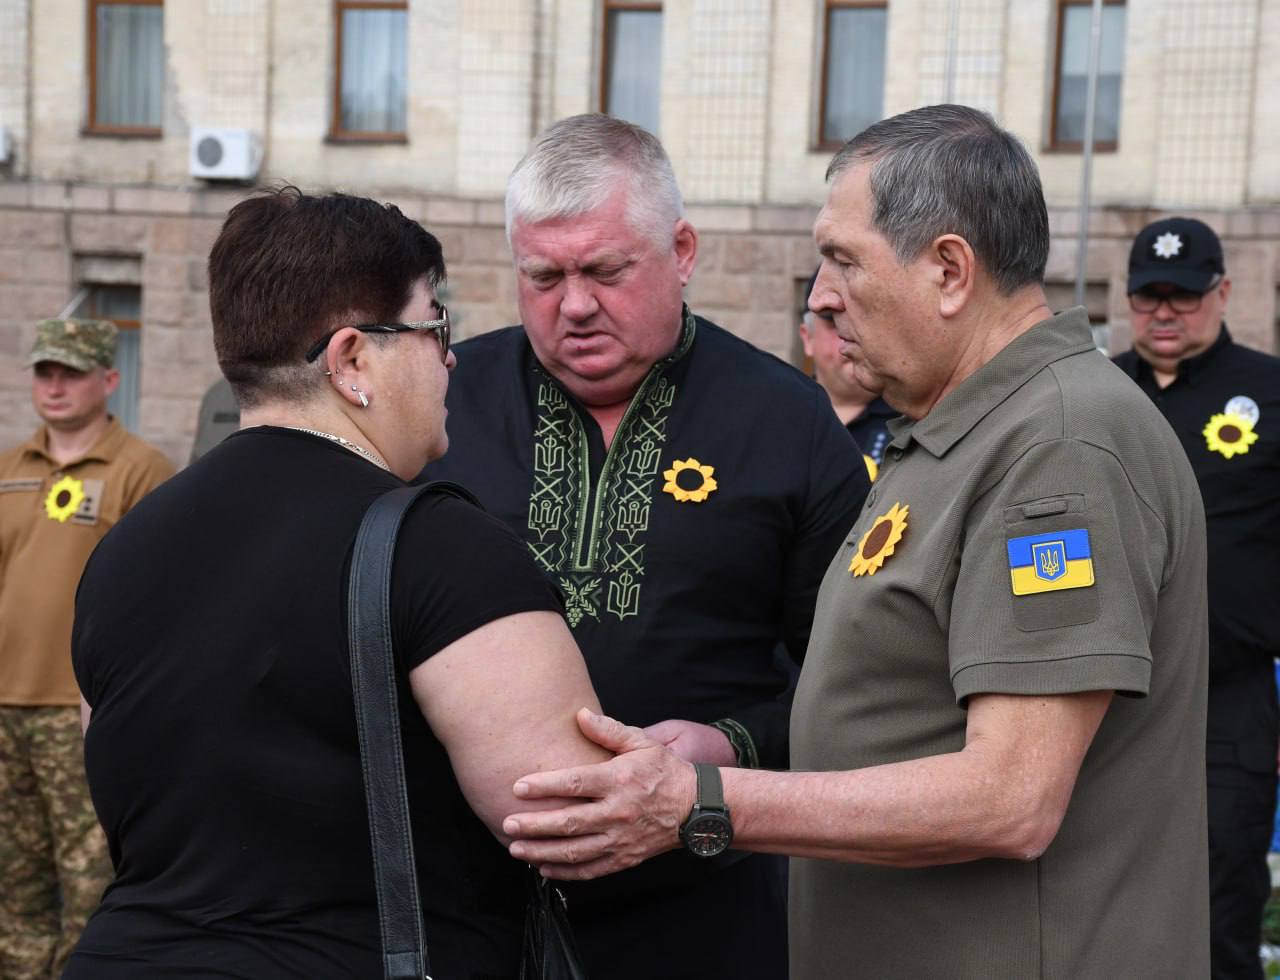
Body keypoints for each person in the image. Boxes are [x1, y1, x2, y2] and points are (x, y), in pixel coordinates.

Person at [502, 105, 1212, 978]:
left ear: (950, 270)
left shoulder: (1058, 445)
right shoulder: (962, 431)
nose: (821, 295)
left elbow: (1012, 799)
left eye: (843, 260)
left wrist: (698, 798)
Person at [63, 188, 609, 978]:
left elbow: (129, 806)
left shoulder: (119, 554)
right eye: (435, 326)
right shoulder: (442, 547)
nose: (450, 356)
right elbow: (579, 817)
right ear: (353, 359)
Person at [423, 113, 869, 978]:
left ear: (683, 252)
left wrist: (730, 744)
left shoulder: (785, 420)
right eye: (543, 275)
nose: (576, 304)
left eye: (606, 270)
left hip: (707, 895)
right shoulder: (442, 404)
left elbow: (856, 678)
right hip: (468, 902)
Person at [1115, 216, 1280, 980]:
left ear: (1223, 292)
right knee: (1106, 913)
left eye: (1182, 296)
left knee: (1218, 920)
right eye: (1148, 296)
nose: (1165, 312)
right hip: (1109, 707)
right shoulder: (1097, 393)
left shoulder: (1270, 394)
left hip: (1228, 704)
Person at [0, 318, 173, 979]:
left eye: (71, 373)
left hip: (85, 711)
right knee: (16, 878)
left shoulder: (142, 470)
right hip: (6, 706)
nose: (55, 386)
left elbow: (155, 595)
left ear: (109, 379)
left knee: (91, 876)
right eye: (45, 372)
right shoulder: (10, 470)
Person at [799, 266, 895, 479]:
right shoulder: (783, 418)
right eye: (833, 321)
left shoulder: (911, 421)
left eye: (864, 318)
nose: (849, 332)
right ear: (807, 338)